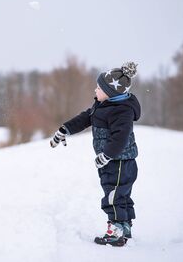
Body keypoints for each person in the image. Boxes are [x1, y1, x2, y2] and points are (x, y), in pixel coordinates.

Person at [50, 62, 141, 247]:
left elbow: (120, 138)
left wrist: (107, 155)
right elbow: (84, 118)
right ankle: (124, 226)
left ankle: (116, 231)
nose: (95, 89)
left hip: (119, 162)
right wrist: (64, 129)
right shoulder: (102, 105)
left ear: (111, 92)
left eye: (99, 87)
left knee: (113, 195)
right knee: (121, 195)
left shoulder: (121, 111)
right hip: (118, 161)